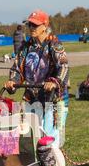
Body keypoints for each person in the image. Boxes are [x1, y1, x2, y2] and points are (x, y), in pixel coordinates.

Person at [4, 9, 69, 148]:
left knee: (50, 141)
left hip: (54, 99)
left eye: (35, 25)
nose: (31, 28)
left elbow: (63, 67)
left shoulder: (55, 44)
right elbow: (17, 68)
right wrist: (13, 81)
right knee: (30, 138)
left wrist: (54, 82)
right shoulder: (25, 47)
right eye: (30, 25)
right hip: (32, 99)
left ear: (45, 26)